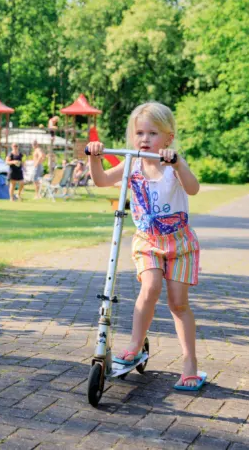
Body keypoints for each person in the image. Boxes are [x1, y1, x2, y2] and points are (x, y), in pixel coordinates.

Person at [86, 102, 205, 392]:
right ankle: (135, 345)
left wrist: (178, 163)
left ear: (168, 138)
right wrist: (94, 157)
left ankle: (190, 362)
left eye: (152, 133)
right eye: (139, 133)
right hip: (148, 241)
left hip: (179, 242)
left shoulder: (172, 166)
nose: (144, 139)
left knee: (178, 302)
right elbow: (101, 180)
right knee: (149, 287)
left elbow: (193, 188)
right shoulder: (132, 165)